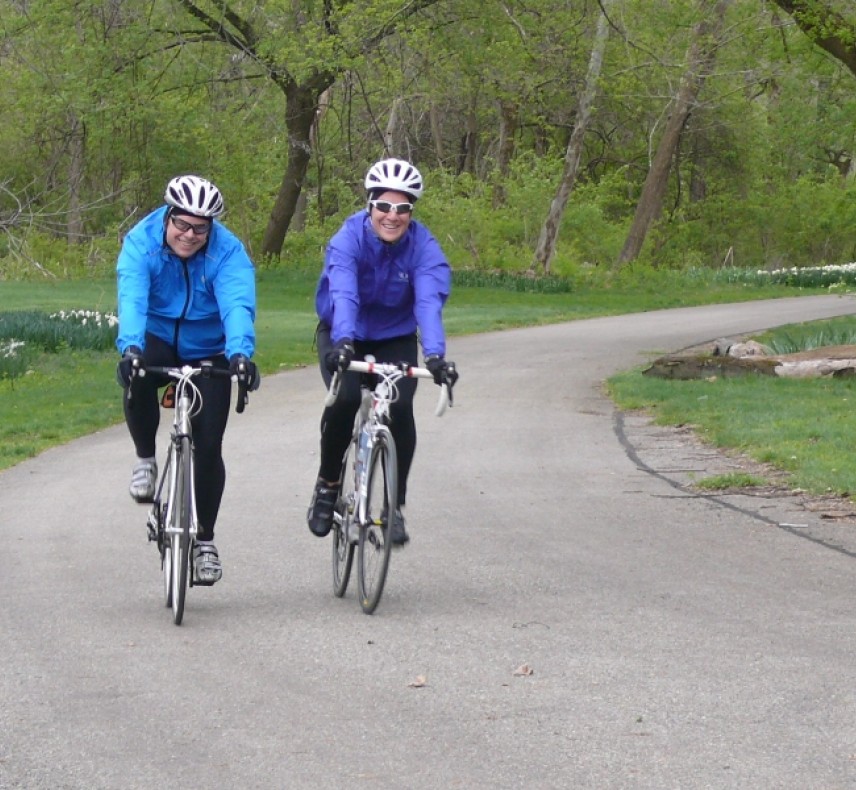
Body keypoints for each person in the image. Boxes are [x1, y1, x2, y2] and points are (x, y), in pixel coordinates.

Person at [115, 174, 259, 584]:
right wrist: (130, 348)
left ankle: (206, 542)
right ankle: (145, 460)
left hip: (209, 346)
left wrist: (240, 355)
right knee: (139, 375)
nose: (190, 235)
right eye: (182, 224)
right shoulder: (141, 242)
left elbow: (237, 304)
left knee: (209, 444)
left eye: (200, 228)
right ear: (168, 216)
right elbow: (132, 297)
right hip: (156, 337)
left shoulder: (228, 252)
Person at [307, 157, 459, 545]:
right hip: (345, 332)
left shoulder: (424, 247)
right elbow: (343, 292)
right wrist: (343, 341)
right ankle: (327, 484)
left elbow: (429, 300)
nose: (392, 216)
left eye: (403, 208)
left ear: (411, 211)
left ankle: (394, 508)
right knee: (343, 400)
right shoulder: (348, 238)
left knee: (399, 407)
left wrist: (436, 355)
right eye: (384, 206)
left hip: (394, 337)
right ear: (370, 205)